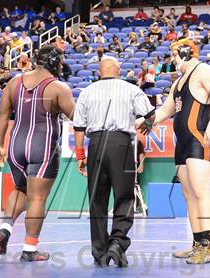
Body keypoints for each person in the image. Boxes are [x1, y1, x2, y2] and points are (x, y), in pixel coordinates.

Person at [137, 39, 210, 264]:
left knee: (201, 190)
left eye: (175, 56)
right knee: (188, 194)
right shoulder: (179, 82)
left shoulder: (203, 70)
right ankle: (197, 244)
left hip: (199, 137)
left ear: (187, 53)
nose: (173, 60)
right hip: (183, 143)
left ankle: (209, 247)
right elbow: (166, 110)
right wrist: (146, 121)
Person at [0, 44, 75, 262]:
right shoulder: (58, 87)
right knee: (37, 198)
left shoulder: (14, 82)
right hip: (42, 147)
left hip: (15, 146)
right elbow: (78, 117)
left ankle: (5, 228)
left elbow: (2, 114)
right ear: (55, 62)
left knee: (19, 189)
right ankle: (29, 249)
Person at [73, 56, 155, 267]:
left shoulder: (86, 91)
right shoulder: (130, 89)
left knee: (97, 200)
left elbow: (79, 127)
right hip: (122, 145)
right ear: (118, 70)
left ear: (100, 71)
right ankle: (117, 244)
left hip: (96, 144)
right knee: (125, 197)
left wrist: (81, 155)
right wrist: (146, 123)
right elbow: (150, 113)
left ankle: (100, 252)